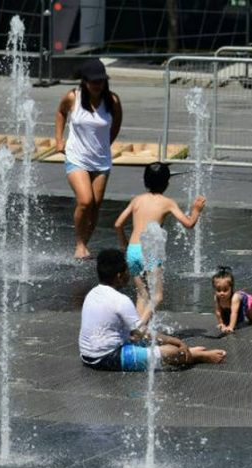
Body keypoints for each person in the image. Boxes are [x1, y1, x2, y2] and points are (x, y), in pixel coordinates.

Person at [78, 249, 226, 371]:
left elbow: (134, 333)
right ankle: (195, 356)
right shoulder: (120, 300)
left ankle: (187, 351)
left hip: (87, 355)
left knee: (150, 342)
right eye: (127, 271)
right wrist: (176, 341)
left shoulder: (92, 293)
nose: (129, 274)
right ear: (119, 276)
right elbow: (144, 333)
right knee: (173, 352)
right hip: (107, 357)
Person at [114, 162, 206, 316]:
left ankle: (138, 332)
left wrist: (124, 243)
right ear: (167, 183)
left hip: (133, 251)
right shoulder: (167, 203)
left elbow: (117, 224)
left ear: (145, 180)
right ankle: (140, 328)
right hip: (149, 251)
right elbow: (189, 223)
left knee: (142, 296)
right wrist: (196, 210)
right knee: (157, 297)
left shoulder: (137, 200)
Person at [54, 58, 123, 259]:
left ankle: (85, 244)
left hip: (101, 160)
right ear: (84, 81)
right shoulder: (72, 97)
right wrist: (59, 140)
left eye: (100, 81)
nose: (97, 85)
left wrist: (107, 143)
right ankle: (79, 243)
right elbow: (60, 113)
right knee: (85, 201)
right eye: (93, 81)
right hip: (77, 158)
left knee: (96, 205)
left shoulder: (113, 101)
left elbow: (116, 123)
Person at [211, 266, 252, 334]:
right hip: (231, 308)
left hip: (245, 301)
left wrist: (231, 327)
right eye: (218, 290)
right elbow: (218, 312)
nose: (222, 293)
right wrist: (221, 323)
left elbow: (234, 313)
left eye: (225, 290)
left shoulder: (235, 298)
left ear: (231, 288)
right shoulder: (216, 297)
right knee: (227, 321)